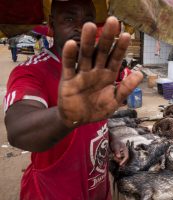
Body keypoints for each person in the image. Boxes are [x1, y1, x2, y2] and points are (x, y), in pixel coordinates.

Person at [3, 0, 143, 199]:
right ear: (52, 24)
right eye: (69, 18)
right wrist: (65, 117)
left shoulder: (96, 70)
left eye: (88, 20)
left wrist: (111, 138)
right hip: (52, 192)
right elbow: (17, 130)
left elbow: (90, 122)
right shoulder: (31, 71)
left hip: (96, 188)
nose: (80, 27)